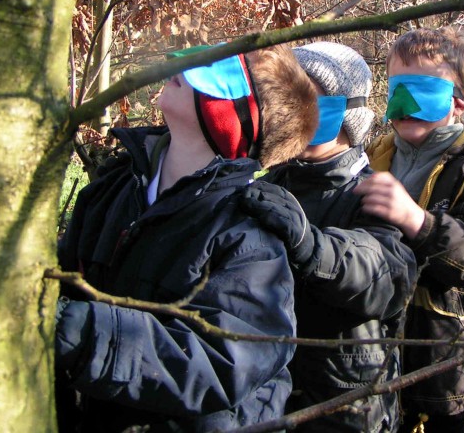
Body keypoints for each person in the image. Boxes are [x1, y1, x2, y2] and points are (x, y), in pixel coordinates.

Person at [55, 44, 318, 433]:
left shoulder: (250, 237)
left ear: (234, 120)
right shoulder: (111, 190)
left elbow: (221, 360)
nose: (186, 66)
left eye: (219, 72)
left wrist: (72, 329)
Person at [240, 41, 417, 432]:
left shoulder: (372, 191)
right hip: (270, 395)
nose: (287, 107)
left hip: (342, 406)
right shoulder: (268, 183)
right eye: (283, 94)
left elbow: (389, 278)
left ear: (347, 113)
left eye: (307, 94)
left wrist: (311, 244)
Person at [355, 26, 464, 433]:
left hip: (448, 367)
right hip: (376, 354)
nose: (406, 102)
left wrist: (417, 220)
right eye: (397, 87)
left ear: (457, 103)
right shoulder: (374, 157)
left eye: (422, 88)